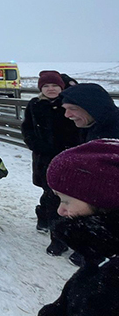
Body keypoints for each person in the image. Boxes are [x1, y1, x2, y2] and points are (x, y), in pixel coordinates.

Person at [38, 139, 119, 316]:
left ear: (103, 200)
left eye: (66, 201)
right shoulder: (102, 248)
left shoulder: (112, 274)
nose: (60, 210)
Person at [21, 71, 81, 256]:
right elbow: (27, 128)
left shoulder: (69, 105)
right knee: (50, 195)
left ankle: (66, 234)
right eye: (46, 86)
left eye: (54, 85)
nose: (51, 89)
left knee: (69, 197)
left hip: (70, 158)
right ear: (41, 88)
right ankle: (55, 235)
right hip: (46, 159)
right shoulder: (35, 105)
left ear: (61, 87)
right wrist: (37, 145)